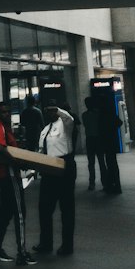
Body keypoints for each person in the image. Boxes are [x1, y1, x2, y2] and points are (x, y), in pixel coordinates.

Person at [0, 100, 36, 267]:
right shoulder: (0, 128)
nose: (6, 114)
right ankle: (22, 254)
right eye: (3, 112)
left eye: (8, 111)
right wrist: (16, 162)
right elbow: (0, 148)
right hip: (9, 176)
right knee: (20, 213)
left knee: (5, 215)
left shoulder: (7, 129)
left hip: (6, 176)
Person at [33, 104, 77, 257]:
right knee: (44, 208)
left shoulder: (65, 125)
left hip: (64, 166)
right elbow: (40, 150)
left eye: (53, 111)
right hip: (48, 168)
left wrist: (58, 110)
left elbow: (69, 118)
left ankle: (67, 246)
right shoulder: (45, 129)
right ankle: (46, 242)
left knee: (67, 208)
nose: (50, 113)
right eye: (47, 111)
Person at [96, 96, 123, 194]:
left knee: (110, 164)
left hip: (105, 142)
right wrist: (113, 129)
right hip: (112, 141)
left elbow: (99, 129)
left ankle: (111, 184)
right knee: (113, 164)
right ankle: (116, 185)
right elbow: (120, 123)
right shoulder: (111, 115)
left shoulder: (101, 116)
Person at [81, 96, 107, 190]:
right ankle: (104, 183)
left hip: (90, 139)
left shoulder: (84, 115)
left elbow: (86, 125)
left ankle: (92, 183)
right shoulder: (98, 114)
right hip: (97, 139)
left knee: (91, 163)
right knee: (101, 162)